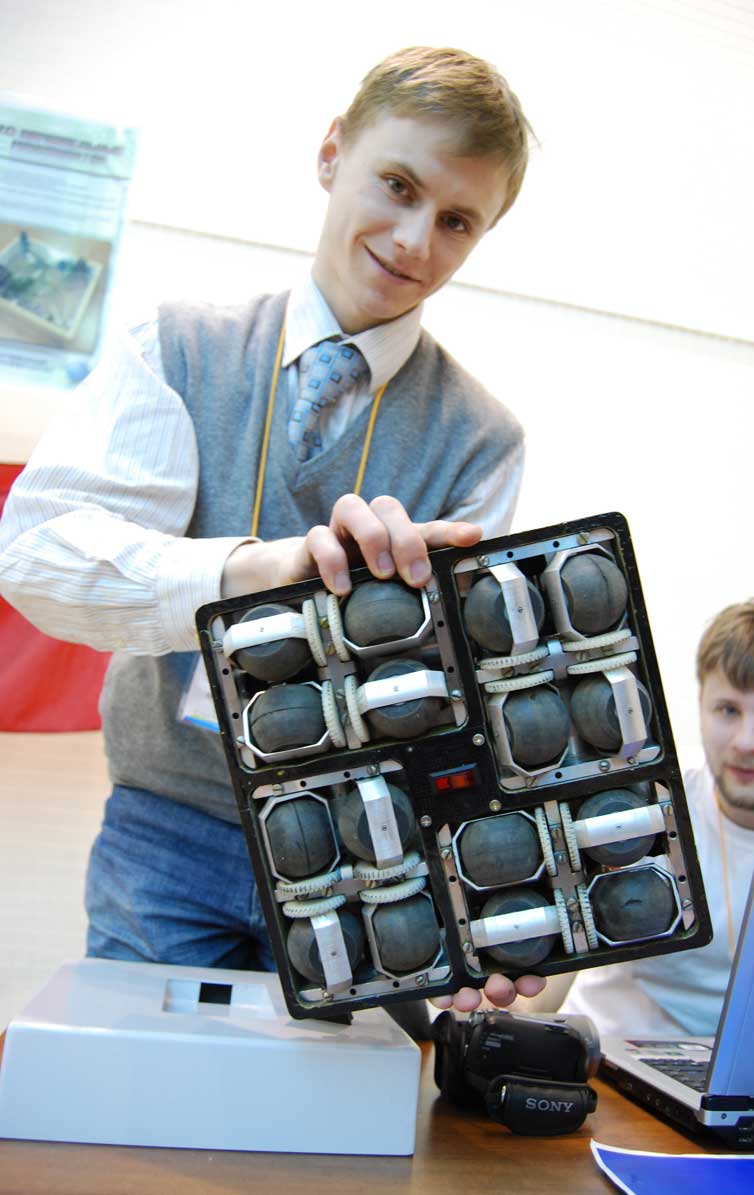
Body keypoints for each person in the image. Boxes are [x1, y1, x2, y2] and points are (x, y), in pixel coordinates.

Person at [0, 47, 544, 1011]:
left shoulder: (483, 440)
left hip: (365, 856)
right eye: (398, 185)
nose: (415, 239)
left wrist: (490, 890)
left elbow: (458, 701)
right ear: (332, 153)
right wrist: (253, 571)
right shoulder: (176, 347)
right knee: (137, 1100)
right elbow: (36, 554)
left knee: (343, 1111)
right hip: (166, 833)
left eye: (456, 220)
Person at [560, 596, 754, 1038]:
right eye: (728, 710)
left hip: (753, 1069)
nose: (746, 742)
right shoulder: (642, 804)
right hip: (607, 1053)